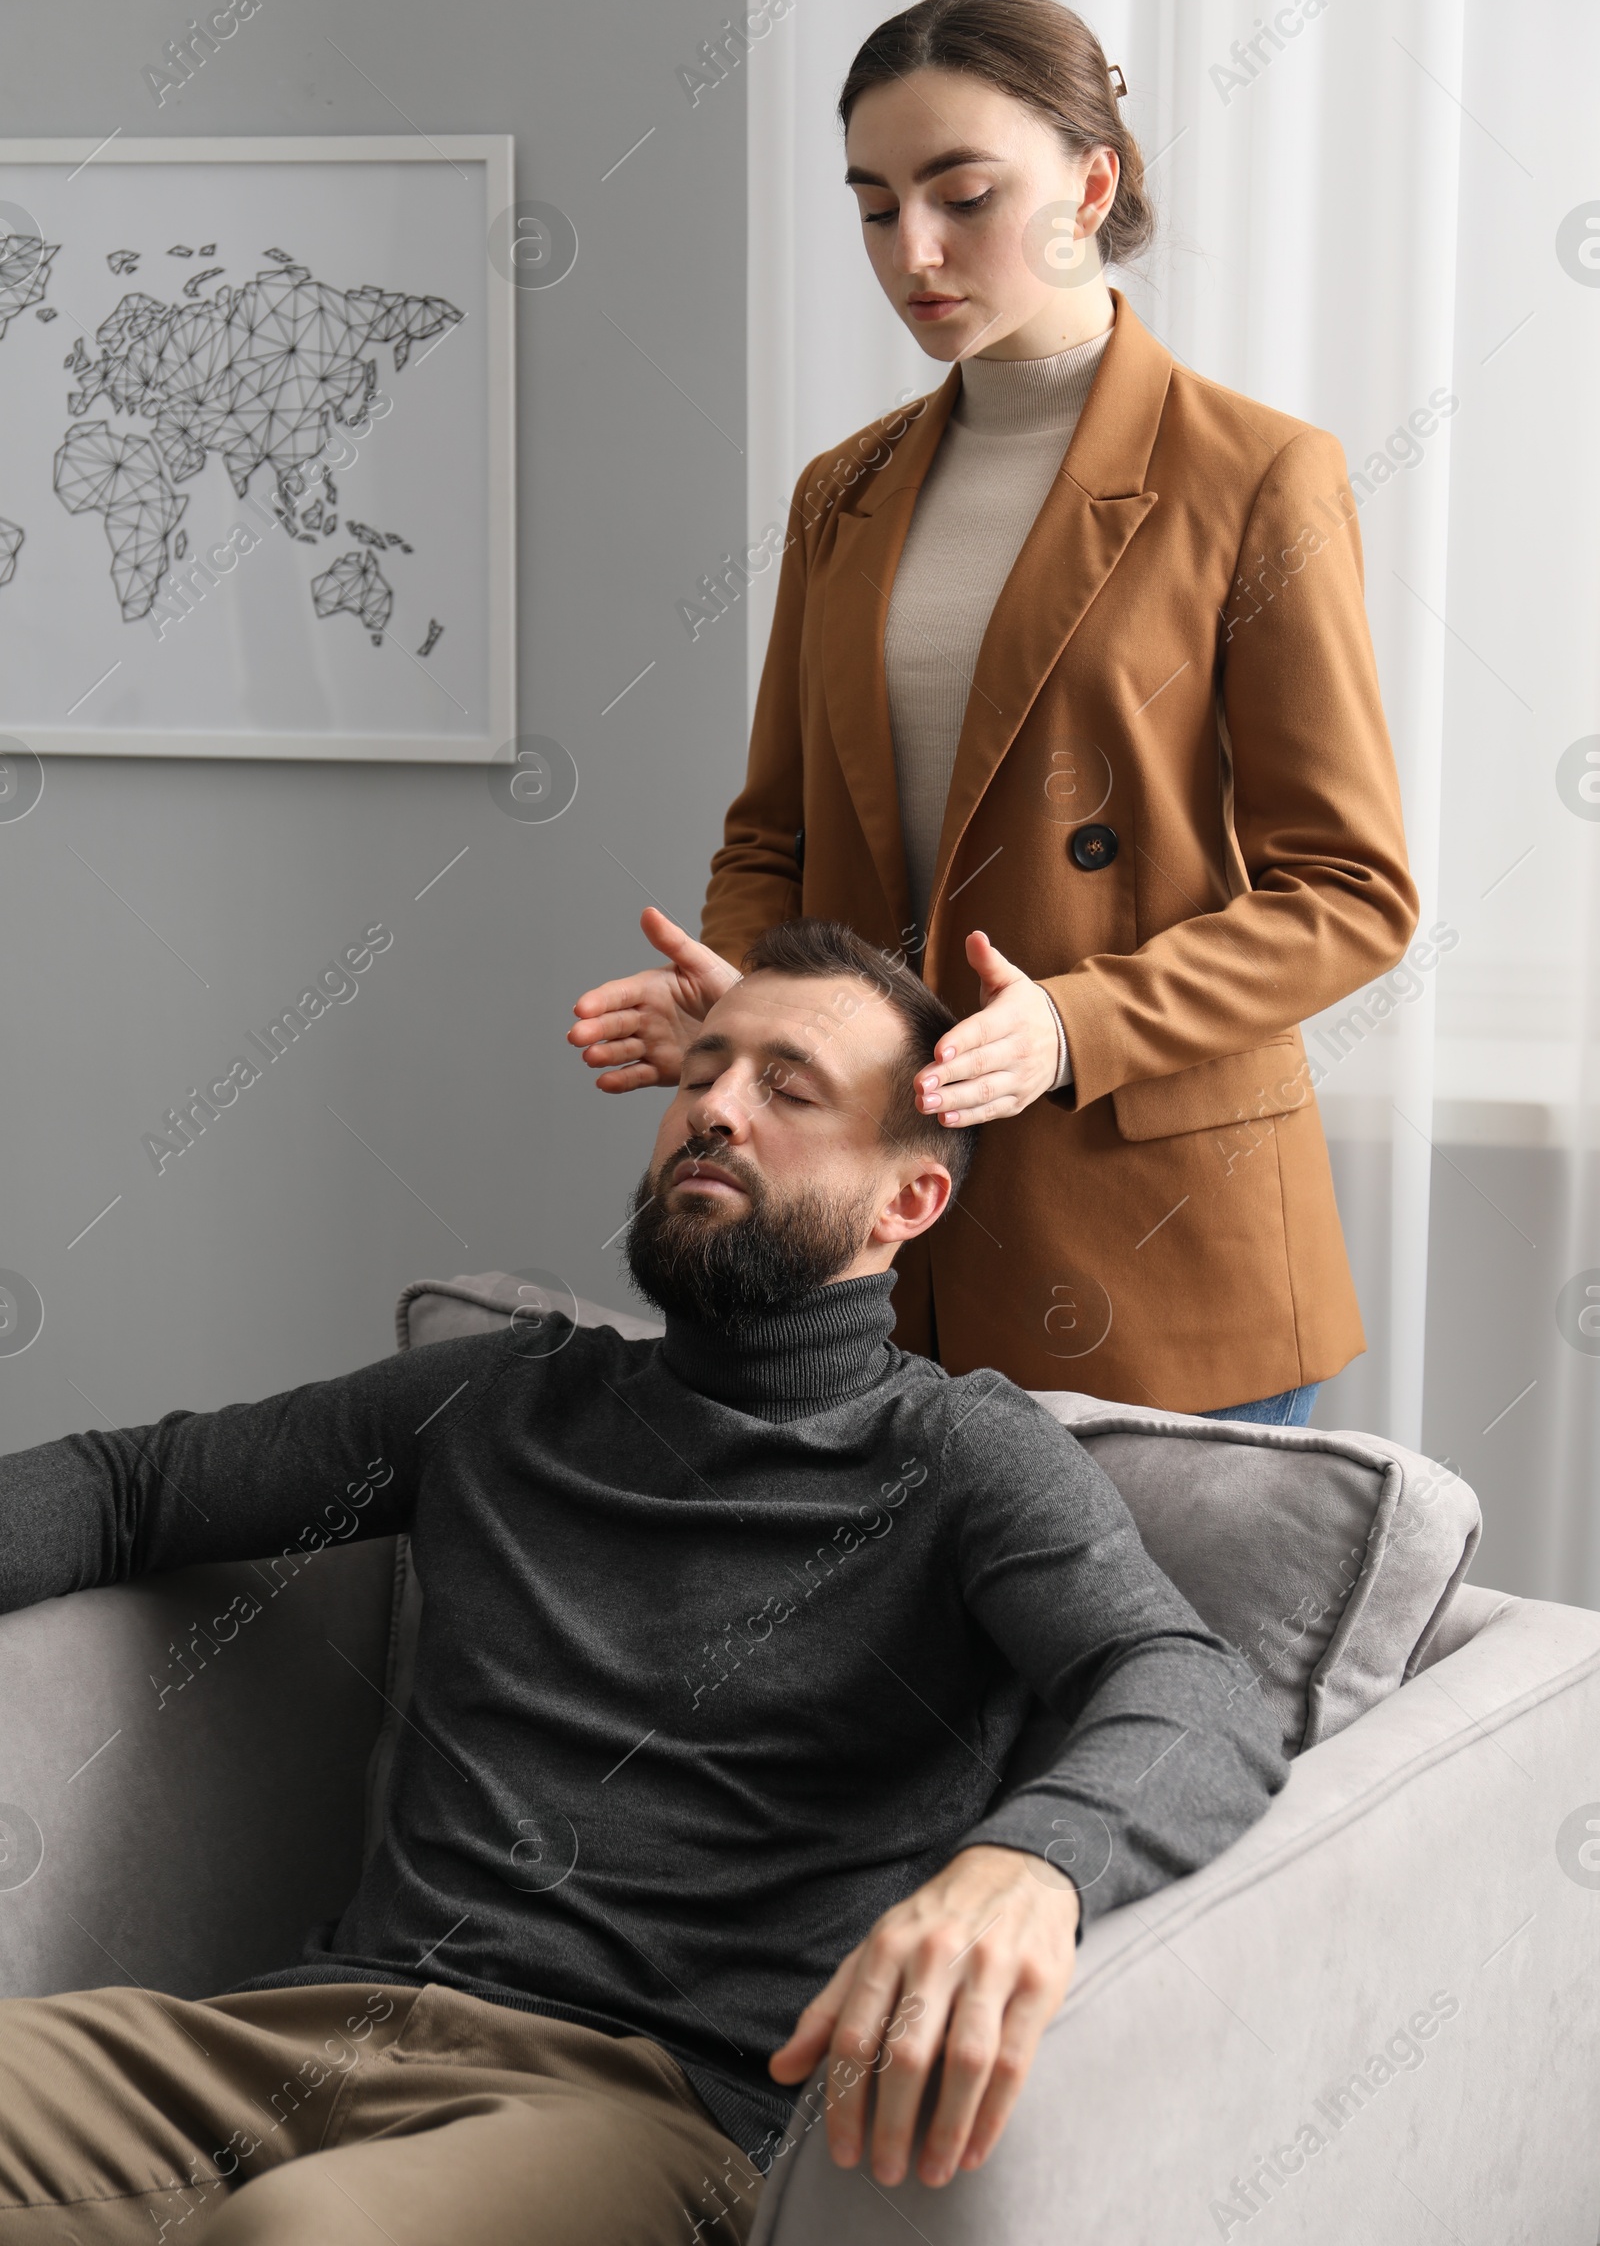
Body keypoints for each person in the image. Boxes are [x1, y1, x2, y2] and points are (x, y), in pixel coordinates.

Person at [0, 921, 1285, 2245]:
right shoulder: (499, 1396)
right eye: (701, 1073)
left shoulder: (959, 1456)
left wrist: (1030, 1866)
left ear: (909, 1202)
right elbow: (127, 1491)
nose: (716, 1110)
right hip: (304, 2033)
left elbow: (1193, 1688)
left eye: (789, 1090)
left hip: (641, 2104)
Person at [569, 0, 1420, 1424]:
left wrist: (1075, 1028)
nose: (915, 252)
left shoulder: (1256, 475)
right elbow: (771, 836)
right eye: (873, 205)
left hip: (1158, 1243)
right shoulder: (841, 490)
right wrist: (744, 1010)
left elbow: (1350, 892)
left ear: (1091, 183)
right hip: (865, 1246)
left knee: (1155, 1655)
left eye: (964, 194)